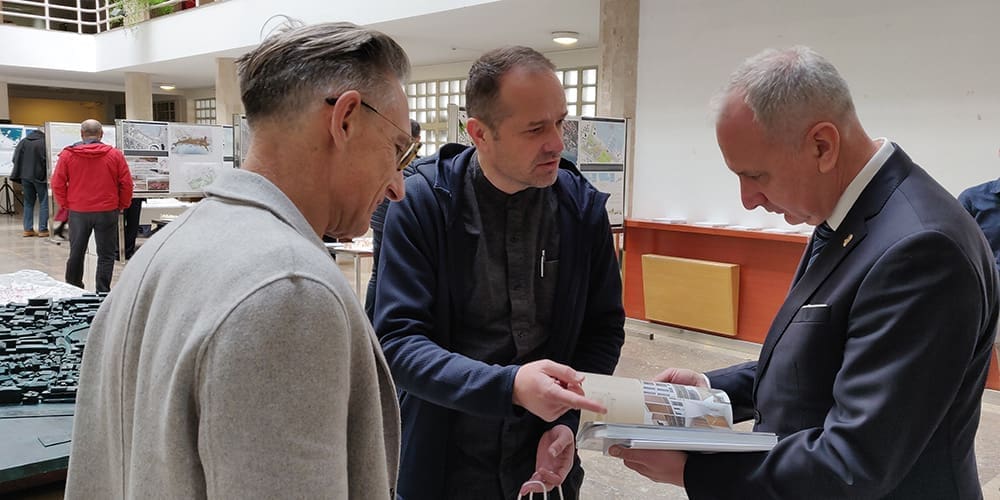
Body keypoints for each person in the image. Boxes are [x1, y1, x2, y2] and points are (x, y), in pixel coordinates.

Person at [610, 46, 999, 499]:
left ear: (822, 146)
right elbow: (821, 360)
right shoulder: (851, 214)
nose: (747, 200)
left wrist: (695, 471)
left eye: (756, 176)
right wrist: (711, 393)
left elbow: (854, 461)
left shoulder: (922, 249)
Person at [66, 22, 411, 498]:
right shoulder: (289, 289)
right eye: (398, 149)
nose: (398, 185)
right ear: (345, 119)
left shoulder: (167, 246)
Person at [374, 46, 625, 500]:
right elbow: (397, 343)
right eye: (535, 129)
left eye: (560, 122)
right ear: (479, 133)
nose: (557, 143)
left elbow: (602, 329)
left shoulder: (580, 209)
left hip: (542, 464)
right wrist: (509, 387)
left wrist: (568, 420)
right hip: (442, 461)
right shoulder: (425, 204)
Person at [51, 120, 132, 292]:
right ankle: (102, 290)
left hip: (79, 211)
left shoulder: (68, 155)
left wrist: (66, 204)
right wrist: (122, 205)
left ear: (82, 134)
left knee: (76, 252)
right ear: (101, 134)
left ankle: (74, 288)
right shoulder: (115, 155)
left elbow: (57, 183)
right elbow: (126, 183)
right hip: (107, 210)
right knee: (106, 254)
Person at [365, 117, 421, 319]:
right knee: (387, 273)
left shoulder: (394, 159)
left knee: (377, 272)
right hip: (391, 220)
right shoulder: (411, 163)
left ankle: (371, 319)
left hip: (380, 219)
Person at [10, 128, 48, 237]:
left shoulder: (23, 142)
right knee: (44, 202)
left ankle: (28, 229)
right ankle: (43, 230)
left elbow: (14, 159)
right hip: (40, 177)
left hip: (25, 176)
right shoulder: (44, 142)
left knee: (28, 203)